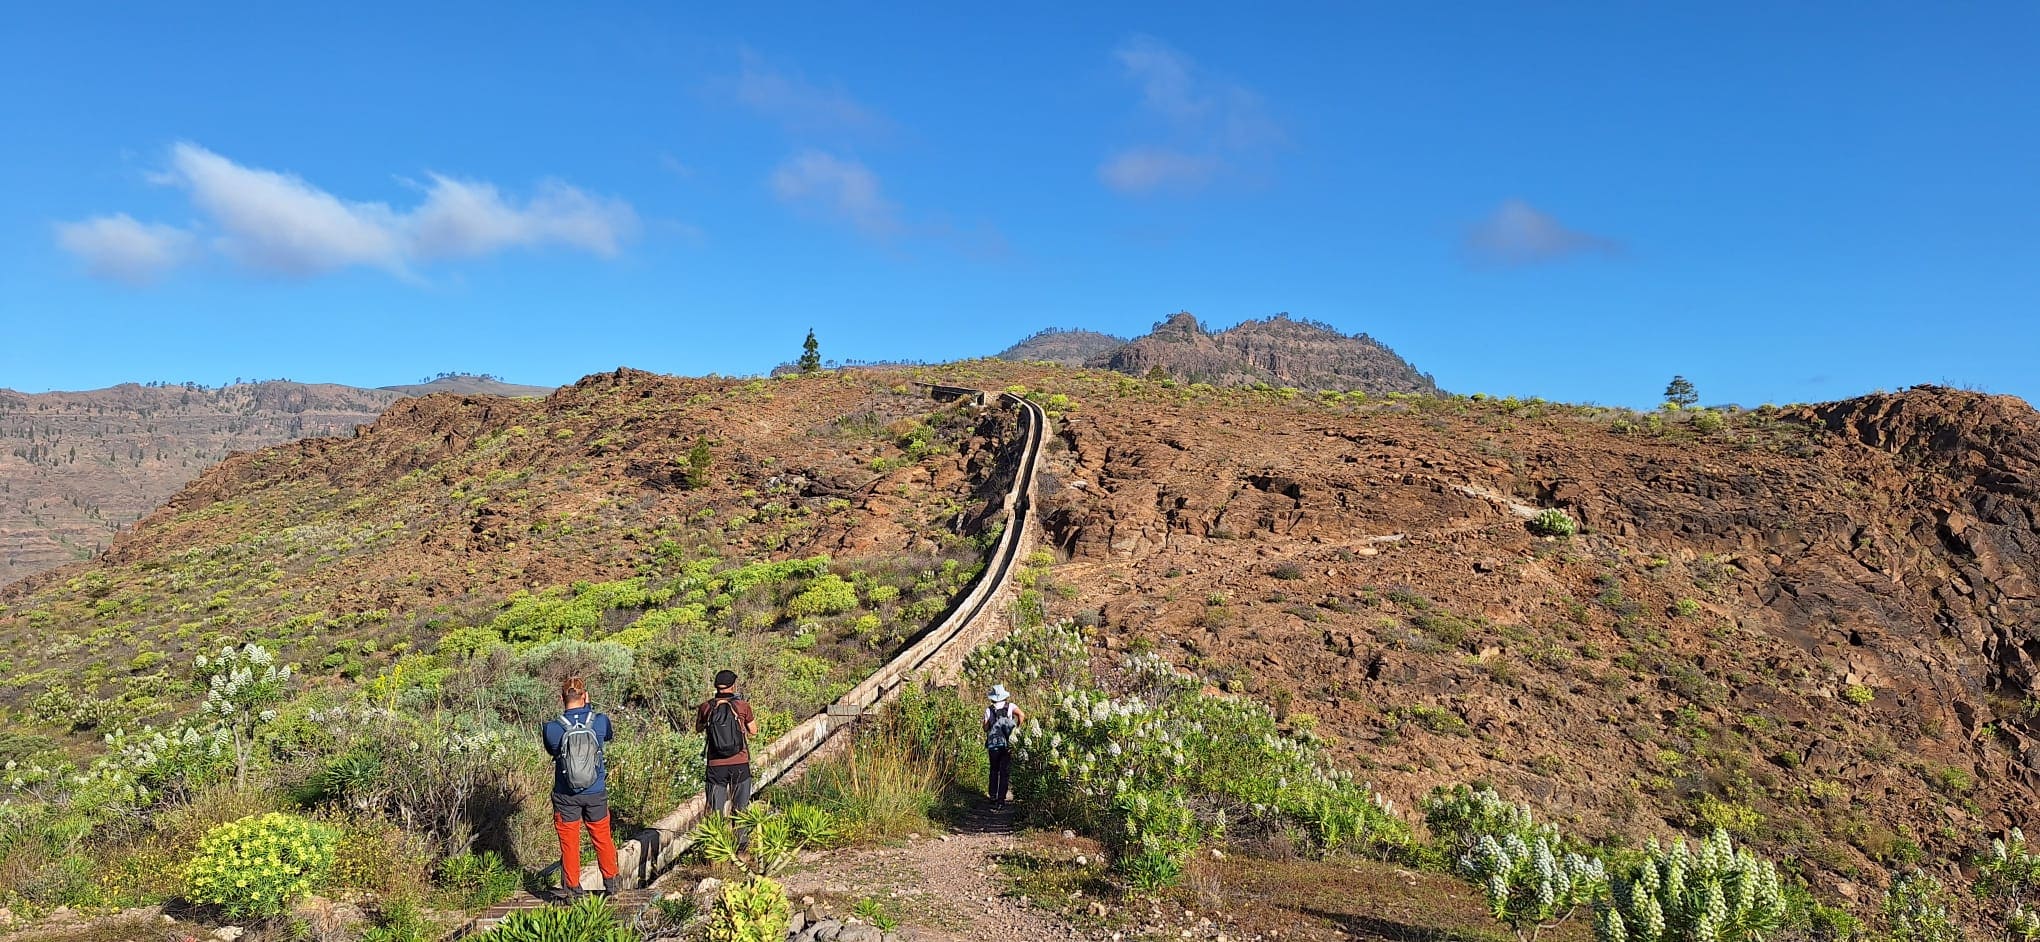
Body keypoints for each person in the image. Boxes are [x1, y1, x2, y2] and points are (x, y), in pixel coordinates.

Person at [541, 677, 619, 900]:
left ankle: (573, 890)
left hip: (566, 795)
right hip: (595, 792)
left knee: (569, 843)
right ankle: (612, 883)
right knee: (602, 837)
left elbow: (552, 750)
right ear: (585, 696)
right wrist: (589, 709)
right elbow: (607, 736)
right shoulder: (600, 721)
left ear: (561, 698)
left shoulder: (552, 728)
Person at [696, 669, 759, 816]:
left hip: (715, 766)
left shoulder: (706, 707)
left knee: (715, 814)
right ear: (733, 686)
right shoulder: (742, 706)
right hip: (740, 763)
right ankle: (739, 832)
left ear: (716, 686)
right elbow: (754, 730)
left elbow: (698, 728)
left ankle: (717, 830)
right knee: (741, 813)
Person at [983, 684, 1025, 805]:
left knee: (994, 769)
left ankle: (993, 795)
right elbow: (1021, 715)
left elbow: (985, 728)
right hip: (1007, 743)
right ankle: (1001, 798)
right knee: (1004, 771)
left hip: (993, 745)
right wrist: (1017, 728)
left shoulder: (989, 709)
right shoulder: (1010, 706)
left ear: (993, 698)